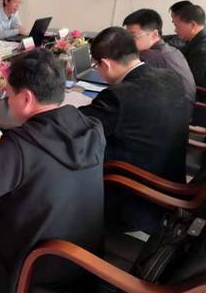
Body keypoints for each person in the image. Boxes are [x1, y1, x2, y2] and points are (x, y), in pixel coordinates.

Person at [0, 49, 105, 293]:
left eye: (8, 94)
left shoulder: (20, 146)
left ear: (26, 98)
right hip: (84, 253)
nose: (7, 100)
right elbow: (48, 155)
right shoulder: (90, 125)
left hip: (39, 262)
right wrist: (4, 144)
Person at [80, 27, 190, 232]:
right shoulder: (169, 77)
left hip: (135, 197)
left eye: (97, 66)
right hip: (169, 182)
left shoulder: (119, 95)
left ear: (105, 64)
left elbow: (78, 127)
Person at [123, 8, 196, 108]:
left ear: (154, 34)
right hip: (184, 109)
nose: (127, 42)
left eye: (133, 36)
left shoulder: (150, 57)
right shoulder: (171, 50)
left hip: (172, 112)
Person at [172, 4, 206, 91]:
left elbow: (189, 81)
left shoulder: (203, 51)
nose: (175, 30)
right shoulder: (201, 36)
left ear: (192, 25)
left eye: (177, 26)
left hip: (203, 94)